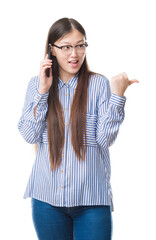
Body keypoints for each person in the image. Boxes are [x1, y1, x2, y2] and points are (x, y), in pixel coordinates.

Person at [17, 17, 138, 240]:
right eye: (66, 47)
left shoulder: (99, 84)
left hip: (91, 201)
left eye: (80, 45)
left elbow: (104, 139)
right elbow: (29, 134)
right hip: (47, 201)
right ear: (51, 50)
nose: (75, 54)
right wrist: (43, 93)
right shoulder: (36, 85)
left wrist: (118, 97)